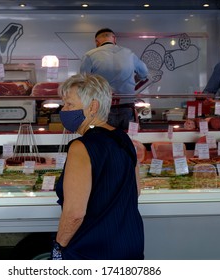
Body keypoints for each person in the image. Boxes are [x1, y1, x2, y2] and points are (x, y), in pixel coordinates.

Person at [51, 73, 144, 260]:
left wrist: (59, 246)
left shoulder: (81, 147)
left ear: (92, 107)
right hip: (129, 244)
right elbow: (137, 190)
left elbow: (75, 213)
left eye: (69, 104)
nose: (64, 110)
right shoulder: (124, 139)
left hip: (93, 250)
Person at [80, 28, 149, 130]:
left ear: (96, 42)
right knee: (128, 139)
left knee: (105, 139)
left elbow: (83, 82)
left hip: (102, 107)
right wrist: (131, 81)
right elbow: (144, 74)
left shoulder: (90, 55)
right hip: (126, 105)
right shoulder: (129, 54)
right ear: (114, 39)